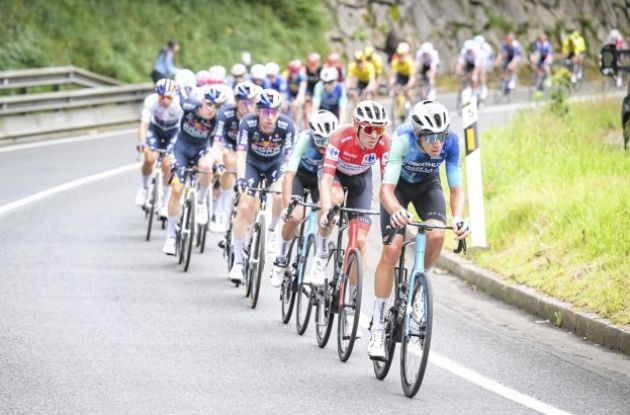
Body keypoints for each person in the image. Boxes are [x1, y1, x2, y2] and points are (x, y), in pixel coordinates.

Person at [367, 100, 470, 359]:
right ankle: (378, 326)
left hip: (428, 187)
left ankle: (418, 283)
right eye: (432, 137)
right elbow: (385, 190)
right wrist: (396, 210)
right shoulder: (402, 140)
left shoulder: (451, 142)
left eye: (442, 135)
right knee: (391, 251)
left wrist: (458, 218)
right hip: (398, 189)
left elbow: (456, 188)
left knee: (436, 235)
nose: (438, 143)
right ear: (418, 134)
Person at [229, 89, 297, 284]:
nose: (270, 116)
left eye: (274, 111)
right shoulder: (247, 123)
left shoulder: (287, 125)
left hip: (275, 164)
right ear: (257, 111)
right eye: (265, 112)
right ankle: (238, 263)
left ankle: (273, 230)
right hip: (252, 164)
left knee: (278, 194)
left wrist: (288, 181)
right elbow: (241, 154)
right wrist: (241, 179)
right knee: (244, 207)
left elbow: (290, 158)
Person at [269, 110, 339, 287]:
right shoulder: (304, 140)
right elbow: (288, 176)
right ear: (313, 135)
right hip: (299, 177)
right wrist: (287, 207)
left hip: (320, 180)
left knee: (327, 214)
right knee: (294, 217)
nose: (325, 147)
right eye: (320, 141)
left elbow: (334, 180)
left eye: (328, 141)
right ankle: (281, 257)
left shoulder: (336, 145)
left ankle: (320, 253)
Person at [162, 85, 228, 255]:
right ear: (202, 102)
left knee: (207, 167)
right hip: (181, 148)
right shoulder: (189, 105)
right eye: (209, 104)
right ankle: (170, 236)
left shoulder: (219, 118)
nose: (211, 109)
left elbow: (216, 144)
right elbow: (179, 94)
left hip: (202, 148)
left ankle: (200, 203)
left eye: (216, 106)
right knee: (177, 190)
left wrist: (218, 163)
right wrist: (176, 87)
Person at [211, 81, 261, 233]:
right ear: (236, 102)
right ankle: (222, 207)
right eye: (244, 103)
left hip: (249, 152)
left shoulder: (257, 118)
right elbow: (217, 140)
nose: (248, 107)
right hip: (229, 147)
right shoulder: (225, 113)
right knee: (229, 159)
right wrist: (218, 161)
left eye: (251, 103)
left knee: (256, 195)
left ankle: (251, 228)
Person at [134, 79, 183, 217]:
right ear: (157, 95)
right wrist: (142, 142)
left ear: (174, 96)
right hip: (155, 129)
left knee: (167, 164)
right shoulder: (150, 101)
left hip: (173, 132)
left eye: (169, 97)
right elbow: (144, 125)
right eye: (162, 97)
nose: (166, 100)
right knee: (150, 158)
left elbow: (182, 129)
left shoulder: (179, 105)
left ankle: (164, 202)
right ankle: (144, 188)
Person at [284, 59, 307, 128]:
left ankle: (297, 126)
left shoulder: (302, 77)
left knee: (298, 106)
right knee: (284, 107)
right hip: (290, 94)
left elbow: (302, 91)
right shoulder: (286, 75)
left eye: (295, 73)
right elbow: (284, 90)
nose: (294, 76)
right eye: (292, 73)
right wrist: (285, 101)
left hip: (300, 94)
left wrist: (298, 101)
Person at [304, 53, 323, 128]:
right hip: (309, 91)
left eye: (314, 65)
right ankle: (306, 127)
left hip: (319, 93)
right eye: (310, 64)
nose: (312, 67)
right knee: (307, 111)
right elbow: (303, 83)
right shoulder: (305, 70)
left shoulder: (322, 70)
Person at [473, 35, 494, 100]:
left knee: (482, 70)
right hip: (479, 60)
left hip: (487, 61)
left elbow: (483, 60)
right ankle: (475, 88)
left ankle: (484, 86)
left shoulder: (486, 47)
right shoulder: (474, 47)